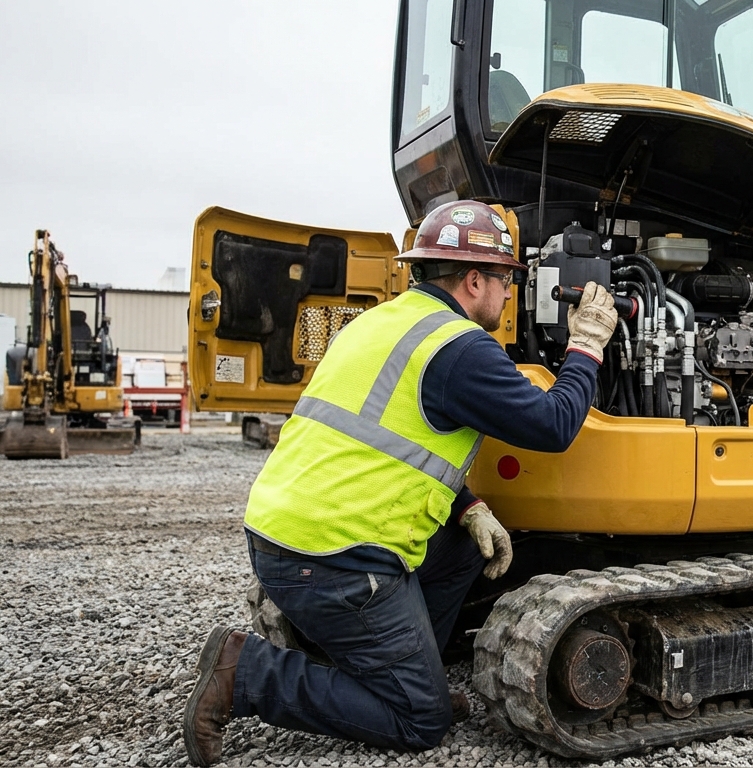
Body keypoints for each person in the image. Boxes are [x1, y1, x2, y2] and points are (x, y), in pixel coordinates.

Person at [181, 200, 618, 766]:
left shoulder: (380, 322)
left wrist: (466, 506)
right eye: (506, 280)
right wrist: (586, 346)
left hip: (281, 535)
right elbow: (554, 425)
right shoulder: (459, 348)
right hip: (332, 556)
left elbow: (382, 441)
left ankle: (406, 671)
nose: (511, 293)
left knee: (463, 546)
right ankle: (246, 673)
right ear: (473, 279)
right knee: (421, 719)